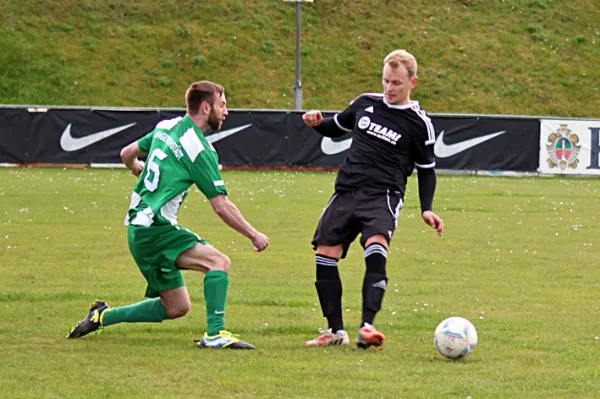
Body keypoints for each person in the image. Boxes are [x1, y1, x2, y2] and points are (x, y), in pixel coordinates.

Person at [66, 80, 269, 350]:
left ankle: (102, 315)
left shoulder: (166, 126)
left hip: (138, 229)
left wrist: (137, 168)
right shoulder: (199, 150)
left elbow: (127, 153)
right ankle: (216, 334)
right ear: (206, 107)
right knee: (218, 263)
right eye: (223, 105)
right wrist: (253, 234)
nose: (226, 112)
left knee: (176, 306)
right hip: (155, 228)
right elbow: (221, 205)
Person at [302, 49, 444, 349]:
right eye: (386, 81)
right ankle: (335, 332)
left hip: (383, 195)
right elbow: (335, 128)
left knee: (376, 245)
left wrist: (427, 209)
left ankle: (368, 327)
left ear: (412, 83)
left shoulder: (419, 124)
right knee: (325, 253)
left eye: (396, 83)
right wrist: (317, 124)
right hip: (346, 191)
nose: (389, 89)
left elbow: (427, 171)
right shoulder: (365, 103)